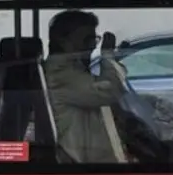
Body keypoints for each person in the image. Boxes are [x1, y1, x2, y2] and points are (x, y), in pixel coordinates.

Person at [43, 9, 125, 163]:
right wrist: (107, 55)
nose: (92, 46)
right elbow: (111, 92)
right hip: (79, 163)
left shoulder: (74, 68)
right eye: (86, 40)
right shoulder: (60, 73)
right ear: (63, 42)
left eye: (94, 39)